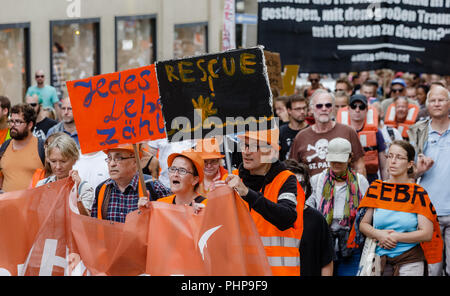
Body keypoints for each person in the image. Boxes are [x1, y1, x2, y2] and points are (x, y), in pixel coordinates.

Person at [214, 127, 305, 276]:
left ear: (271, 153)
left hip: (278, 272)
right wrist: (203, 210)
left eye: (254, 147)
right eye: (244, 145)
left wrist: (247, 193)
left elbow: (286, 218)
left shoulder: (286, 179)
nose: (246, 151)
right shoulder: (231, 179)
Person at [355, 141, 442, 276]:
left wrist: (396, 237)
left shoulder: (418, 194)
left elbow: (427, 233)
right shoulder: (376, 189)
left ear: (409, 164)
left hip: (410, 259)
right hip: (377, 258)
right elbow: (363, 224)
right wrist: (379, 234)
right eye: (390, 156)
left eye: (399, 157)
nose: (393, 161)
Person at [307, 138, 369, 276]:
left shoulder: (360, 181)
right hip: (323, 243)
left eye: (340, 159)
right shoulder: (317, 180)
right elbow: (308, 209)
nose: (336, 163)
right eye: (333, 159)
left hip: (351, 244)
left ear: (350, 158)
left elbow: (368, 211)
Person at [408, 84, 450, 276]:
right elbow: (406, 175)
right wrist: (419, 170)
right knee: (432, 270)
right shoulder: (417, 133)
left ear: (449, 104)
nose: (437, 103)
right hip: (428, 214)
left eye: (441, 99)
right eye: (432, 100)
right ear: (427, 105)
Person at [289, 89, 366, 178]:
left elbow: (360, 166)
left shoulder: (348, 132)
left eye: (328, 105)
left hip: (344, 189)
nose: (324, 109)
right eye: (319, 106)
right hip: (312, 190)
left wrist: (360, 190)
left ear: (333, 108)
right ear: (311, 109)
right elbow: (293, 170)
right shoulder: (301, 137)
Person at [90, 145, 171, 223]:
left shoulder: (153, 186)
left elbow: (171, 222)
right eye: (109, 158)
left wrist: (153, 211)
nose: (112, 164)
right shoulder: (102, 189)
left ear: (135, 161)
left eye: (119, 158)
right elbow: (95, 227)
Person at [285, 159, 334, 276]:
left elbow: (327, 262)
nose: (296, 189)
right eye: (291, 184)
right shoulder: (270, 215)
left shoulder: (317, 219)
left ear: (307, 187)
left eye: (301, 184)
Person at [36, 133, 94, 215]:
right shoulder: (41, 185)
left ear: (74, 159)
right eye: (53, 161)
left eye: (63, 161)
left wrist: (76, 194)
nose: (58, 166)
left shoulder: (83, 188)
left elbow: (86, 220)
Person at [336, 94, 388, 183]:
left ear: (367, 110)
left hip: (371, 181)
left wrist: (386, 184)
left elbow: (384, 166)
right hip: (345, 181)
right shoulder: (339, 131)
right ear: (348, 109)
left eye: (361, 107)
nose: (357, 110)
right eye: (353, 106)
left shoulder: (376, 133)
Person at [0, 104, 45, 192]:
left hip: (33, 204)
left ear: (30, 125)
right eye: (11, 121)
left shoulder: (42, 147)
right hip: (6, 204)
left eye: (18, 122)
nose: (13, 125)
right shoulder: (4, 146)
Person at [279, 94, 309, 161]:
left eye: (304, 108)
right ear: (289, 110)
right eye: (298, 109)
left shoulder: (311, 131)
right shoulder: (281, 132)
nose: (302, 112)